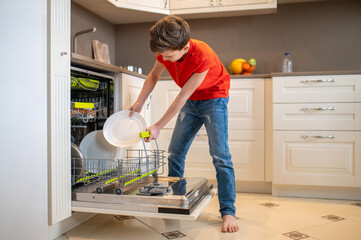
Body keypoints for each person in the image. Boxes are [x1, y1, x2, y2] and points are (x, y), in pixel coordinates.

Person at [129, 15, 239, 233]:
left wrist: (158, 125)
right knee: (175, 153)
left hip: (213, 99)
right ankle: (177, 201)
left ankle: (228, 212)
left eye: (169, 55)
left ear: (185, 47)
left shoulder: (202, 56)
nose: (165, 59)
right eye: (161, 55)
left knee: (220, 156)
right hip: (191, 101)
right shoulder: (165, 51)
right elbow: (153, 76)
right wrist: (140, 102)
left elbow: (182, 98)